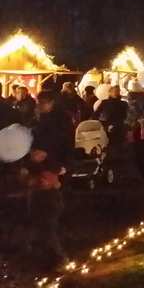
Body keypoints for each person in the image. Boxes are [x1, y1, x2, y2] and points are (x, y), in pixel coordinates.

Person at [26, 90, 73, 269]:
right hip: (37, 171)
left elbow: (64, 146)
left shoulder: (60, 122)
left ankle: (58, 257)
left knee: (48, 216)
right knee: (36, 213)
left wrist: (52, 161)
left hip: (51, 171)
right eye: (38, 102)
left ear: (52, 102)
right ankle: (42, 251)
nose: (39, 105)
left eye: (43, 102)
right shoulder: (37, 122)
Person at [98, 86, 128, 150]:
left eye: (118, 91)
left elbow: (126, 116)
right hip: (108, 127)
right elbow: (96, 113)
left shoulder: (123, 104)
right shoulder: (105, 102)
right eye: (115, 91)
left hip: (119, 127)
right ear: (110, 92)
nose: (116, 93)